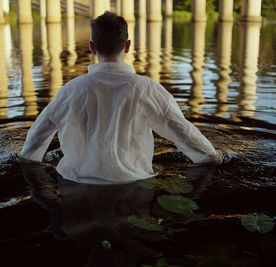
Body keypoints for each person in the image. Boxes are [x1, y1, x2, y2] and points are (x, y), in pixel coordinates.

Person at [20, 12, 222, 184]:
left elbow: (36, 139)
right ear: (127, 46)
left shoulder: (70, 90)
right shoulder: (147, 89)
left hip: (77, 187)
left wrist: (28, 161)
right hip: (133, 187)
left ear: (92, 47)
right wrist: (213, 157)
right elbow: (185, 134)